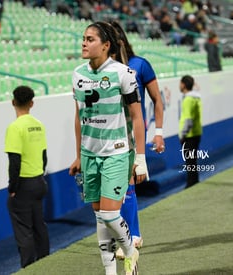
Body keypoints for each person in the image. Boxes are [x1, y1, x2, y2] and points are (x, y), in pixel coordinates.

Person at [68, 21, 148, 275]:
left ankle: (130, 251)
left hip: (117, 152)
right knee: (100, 217)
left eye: (90, 39)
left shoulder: (124, 73)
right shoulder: (77, 74)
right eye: (83, 38)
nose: (84, 42)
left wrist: (141, 158)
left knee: (110, 214)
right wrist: (79, 155)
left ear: (106, 46)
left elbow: (137, 117)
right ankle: (110, 272)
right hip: (90, 155)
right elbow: (78, 116)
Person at [109, 20, 165, 258]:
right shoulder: (102, 71)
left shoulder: (139, 65)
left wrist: (159, 133)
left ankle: (130, 236)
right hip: (109, 134)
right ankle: (133, 234)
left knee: (127, 184)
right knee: (116, 188)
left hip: (133, 134)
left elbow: (157, 100)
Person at [4, 85, 50, 268]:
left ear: (13, 102)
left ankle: (29, 269)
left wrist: (12, 188)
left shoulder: (14, 128)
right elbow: (44, 157)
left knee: (24, 231)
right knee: (39, 226)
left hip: (23, 184)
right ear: (32, 103)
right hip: (39, 180)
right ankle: (45, 264)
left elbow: (14, 162)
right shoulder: (39, 125)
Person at [178, 75, 202, 188]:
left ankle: (191, 183)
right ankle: (194, 181)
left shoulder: (188, 100)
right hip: (196, 133)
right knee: (193, 160)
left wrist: (183, 135)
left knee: (189, 161)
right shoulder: (196, 98)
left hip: (189, 135)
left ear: (183, 84)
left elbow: (188, 120)